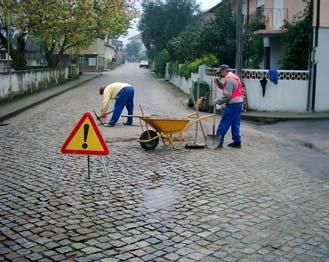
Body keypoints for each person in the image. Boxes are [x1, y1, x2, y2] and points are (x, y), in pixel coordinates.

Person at [214, 64, 243, 148]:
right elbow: (225, 87)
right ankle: (237, 142)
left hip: (233, 104)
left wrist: (216, 102)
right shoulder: (234, 76)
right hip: (239, 103)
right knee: (235, 123)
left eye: (220, 72)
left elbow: (227, 95)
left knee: (224, 122)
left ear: (224, 71)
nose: (220, 74)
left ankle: (218, 143)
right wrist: (218, 83)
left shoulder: (229, 79)